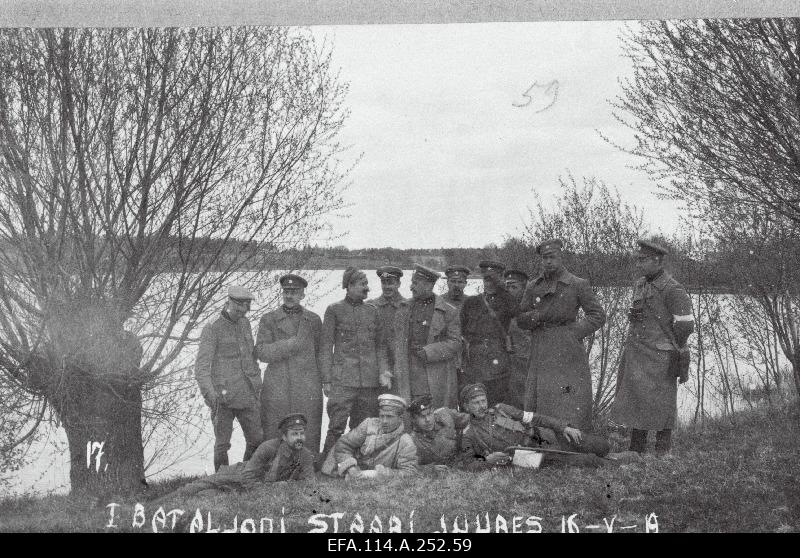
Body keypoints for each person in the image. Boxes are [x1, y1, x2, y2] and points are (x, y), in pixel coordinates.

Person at [612, 239, 695, 455]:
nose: (639, 264)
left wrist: (668, 344)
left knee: (662, 404)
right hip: (638, 353)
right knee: (638, 401)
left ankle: (661, 452)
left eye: (643, 260)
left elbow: (686, 325)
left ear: (657, 262)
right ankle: (636, 450)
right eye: (638, 259)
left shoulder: (673, 289)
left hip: (660, 357)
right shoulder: (640, 285)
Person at [517, 240, 606, 431]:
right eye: (544, 258)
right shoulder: (533, 286)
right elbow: (521, 319)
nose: (548, 262)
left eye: (552, 257)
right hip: (541, 347)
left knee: (567, 394)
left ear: (560, 257)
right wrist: (536, 316)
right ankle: (541, 437)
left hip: (567, 351)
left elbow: (598, 315)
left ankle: (571, 439)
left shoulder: (577, 284)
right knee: (540, 393)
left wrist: (574, 333)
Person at [320, 267, 390, 458]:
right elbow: (326, 348)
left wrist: (384, 371)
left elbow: (381, 347)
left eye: (367, 284)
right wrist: (326, 380)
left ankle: (358, 463)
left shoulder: (372, 311)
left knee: (363, 426)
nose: (367, 288)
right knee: (336, 427)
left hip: (368, 383)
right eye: (362, 284)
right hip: (342, 382)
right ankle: (328, 464)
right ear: (349, 286)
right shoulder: (334, 310)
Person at [457, 383, 611, 470]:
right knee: (586, 461)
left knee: (601, 446)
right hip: (527, 457)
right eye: (476, 403)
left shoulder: (502, 409)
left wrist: (563, 427)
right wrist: (488, 460)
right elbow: (469, 464)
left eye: (483, 401)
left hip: (544, 436)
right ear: (466, 407)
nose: (481, 406)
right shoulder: (469, 434)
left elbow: (535, 418)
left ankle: (614, 457)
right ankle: (623, 461)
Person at [161, 413, 315, 499]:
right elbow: (248, 477)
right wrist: (270, 490)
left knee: (207, 496)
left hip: (249, 489)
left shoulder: (305, 455)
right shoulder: (268, 447)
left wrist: (284, 487)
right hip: (238, 475)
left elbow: (309, 483)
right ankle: (154, 505)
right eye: (294, 434)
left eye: (302, 433)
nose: (299, 438)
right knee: (195, 487)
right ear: (284, 437)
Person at [195, 286, 263, 471]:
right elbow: (201, 368)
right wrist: (211, 397)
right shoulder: (212, 327)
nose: (241, 312)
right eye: (238, 307)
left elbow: (249, 357)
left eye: (245, 308)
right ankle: (222, 479)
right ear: (228, 303)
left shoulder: (245, 323)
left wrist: (257, 382)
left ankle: (244, 473)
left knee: (256, 439)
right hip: (222, 397)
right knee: (222, 444)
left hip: (246, 393)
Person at [255, 274, 324, 455]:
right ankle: (274, 465)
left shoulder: (314, 320)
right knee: (274, 429)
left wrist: (325, 382)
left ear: (302, 295)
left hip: (307, 385)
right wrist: (288, 345)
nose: (289, 296)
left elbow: (321, 353)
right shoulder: (268, 319)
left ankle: (309, 465)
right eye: (286, 291)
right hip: (278, 385)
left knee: (309, 427)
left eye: (294, 292)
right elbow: (261, 352)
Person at [384, 264, 461, 409]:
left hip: (434, 376)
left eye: (415, 283)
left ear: (429, 285)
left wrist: (429, 352)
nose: (411, 287)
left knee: (435, 417)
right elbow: (392, 341)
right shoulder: (403, 308)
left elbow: (455, 343)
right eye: (412, 282)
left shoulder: (448, 311)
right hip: (407, 375)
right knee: (408, 416)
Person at [460, 260, 519, 405]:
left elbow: (516, 319)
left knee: (496, 399)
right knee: (474, 397)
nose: (489, 282)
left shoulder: (508, 300)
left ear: (500, 277)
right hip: (475, 360)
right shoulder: (471, 302)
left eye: (493, 278)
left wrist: (502, 290)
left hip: (497, 360)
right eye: (486, 278)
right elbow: (463, 329)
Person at [330, 394, 418, 480]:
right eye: (382, 416)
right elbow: (343, 444)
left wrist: (377, 474)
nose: (384, 421)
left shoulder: (406, 442)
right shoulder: (369, 424)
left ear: (400, 418)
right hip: (354, 468)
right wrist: (350, 467)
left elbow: (409, 472)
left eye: (389, 417)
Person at [407, 394, 470, 470]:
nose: (427, 420)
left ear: (433, 411)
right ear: (414, 420)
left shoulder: (445, 415)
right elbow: (410, 467)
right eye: (422, 417)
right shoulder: (412, 441)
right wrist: (430, 468)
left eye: (429, 414)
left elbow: (469, 419)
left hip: (463, 461)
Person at [367, 266, 407, 372]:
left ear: (398, 284)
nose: (387, 287)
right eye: (384, 283)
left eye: (390, 283)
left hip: (401, 366)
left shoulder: (407, 306)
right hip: (376, 366)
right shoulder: (371, 306)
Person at [504, 269, 532, 410]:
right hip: (506, 364)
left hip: (525, 364)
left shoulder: (531, 311)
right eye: (507, 286)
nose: (509, 290)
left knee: (524, 402)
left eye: (514, 287)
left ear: (524, 288)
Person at [442, 265, 471, 388]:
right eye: (453, 281)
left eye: (460, 282)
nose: (456, 285)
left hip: (467, 358)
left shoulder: (472, 303)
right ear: (447, 282)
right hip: (446, 356)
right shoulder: (439, 302)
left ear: (465, 283)